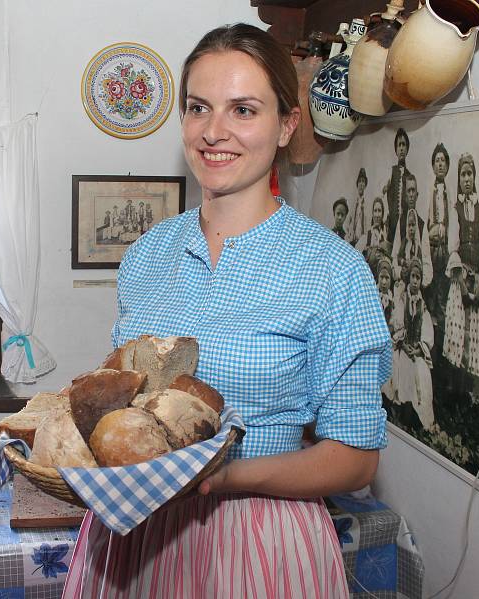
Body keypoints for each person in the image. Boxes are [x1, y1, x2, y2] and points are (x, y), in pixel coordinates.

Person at [62, 23, 391, 599]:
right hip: (135, 540)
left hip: (260, 540)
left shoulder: (331, 270)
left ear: (287, 125)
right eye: (198, 108)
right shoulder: (147, 254)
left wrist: (223, 477)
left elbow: (355, 458)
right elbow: (126, 399)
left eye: (243, 110)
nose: (214, 132)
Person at [443, 153, 479, 386]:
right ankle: (456, 387)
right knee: (458, 330)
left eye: (469, 174)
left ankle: (471, 390)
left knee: (475, 336)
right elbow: (453, 246)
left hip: (477, 278)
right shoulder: (455, 210)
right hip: (461, 278)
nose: (466, 178)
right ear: (459, 179)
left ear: (475, 177)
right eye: (463, 174)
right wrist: (463, 286)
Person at [391, 258, 435, 430]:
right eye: (413, 277)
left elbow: (426, 330)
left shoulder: (422, 305)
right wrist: (402, 342)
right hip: (404, 347)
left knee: (422, 374)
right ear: (409, 278)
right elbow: (398, 323)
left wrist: (418, 349)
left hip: (415, 350)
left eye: (418, 278)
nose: (415, 281)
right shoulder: (402, 300)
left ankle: (417, 418)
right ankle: (400, 410)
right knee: (399, 366)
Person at [426, 143, 451, 354]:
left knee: (444, 297)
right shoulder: (429, 191)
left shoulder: (451, 194)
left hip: (446, 251)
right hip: (432, 249)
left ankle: (442, 352)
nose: (440, 164)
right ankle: (429, 348)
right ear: (433, 166)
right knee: (430, 294)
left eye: (443, 160)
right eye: (437, 160)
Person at [381, 127, 412, 245]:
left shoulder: (410, 176)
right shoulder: (391, 171)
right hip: (391, 225)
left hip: (404, 228)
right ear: (396, 149)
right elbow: (383, 193)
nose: (402, 148)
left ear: (407, 148)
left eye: (404, 145)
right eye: (399, 145)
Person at [356, 196, 391, 278]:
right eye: (375, 211)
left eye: (379, 211)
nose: (377, 215)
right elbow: (355, 255)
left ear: (382, 214)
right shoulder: (366, 237)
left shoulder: (385, 237)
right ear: (372, 213)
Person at [346, 167, 367, 246]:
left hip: (362, 243)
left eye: (363, 182)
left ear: (365, 185)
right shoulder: (352, 203)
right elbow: (347, 223)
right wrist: (349, 234)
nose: (361, 184)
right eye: (360, 181)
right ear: (357, 184)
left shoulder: (367, 204)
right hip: (351, 241)